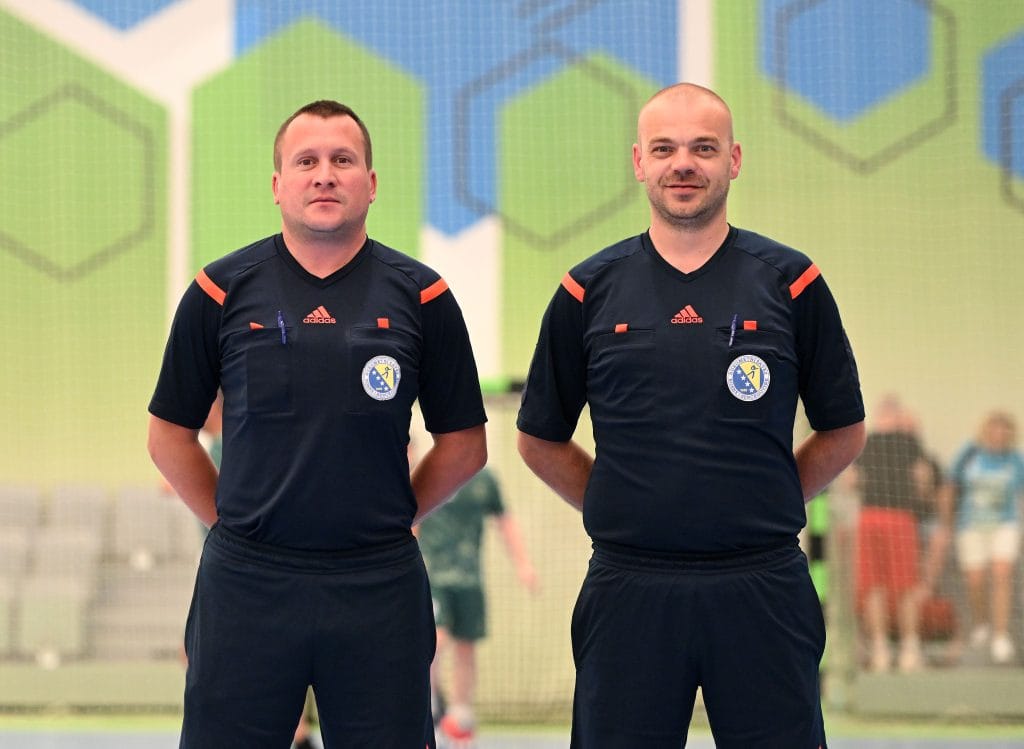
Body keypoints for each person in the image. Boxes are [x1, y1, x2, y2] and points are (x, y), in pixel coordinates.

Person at [516, 83, 865, 749]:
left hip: (763, 584)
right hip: (628, 588)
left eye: (703, 148)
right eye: (664, 149)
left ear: (734, 160)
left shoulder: (793, 282)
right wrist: (618, 502)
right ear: (638, 162)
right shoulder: (586, 289)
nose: (683, 163)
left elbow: (844, 430)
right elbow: (539, 439)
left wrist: (768, 497)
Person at [147, 99, 487, 748]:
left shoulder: (424, 295)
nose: (325, 174)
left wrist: (396, 515)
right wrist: (234, 524)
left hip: (378, 584)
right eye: (306, 161)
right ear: (278, 184)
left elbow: (466, 444)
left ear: (371, 182)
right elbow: (168, 434)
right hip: (246, 586)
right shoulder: (217, 291)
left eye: (342, 160)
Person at [416, 466, 538, 746]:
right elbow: (412, 521)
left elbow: (505, 520)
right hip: (433, 576)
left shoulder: (484, 480)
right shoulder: (432, 468)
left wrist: (523, 564)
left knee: (466, 646)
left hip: (470, 578)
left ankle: (460, 716)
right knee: (436, 640)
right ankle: (430, 712)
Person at [853, 395, 943, 673]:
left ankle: (880, 649)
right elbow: (923, 477)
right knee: (905, 586)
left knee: (874, 586)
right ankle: (909, 649)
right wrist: (921, 500)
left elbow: (852, 480)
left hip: (869, 516)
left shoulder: (864, 441)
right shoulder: (909, 442)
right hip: (900, 518)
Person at [950, 411, 1024, 665]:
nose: (999, 434)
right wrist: (946, 524)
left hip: (1005, 524)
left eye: (1004, 430)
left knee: (1002, 574)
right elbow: (951, 485)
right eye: (994, 428)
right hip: (971, 526)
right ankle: (981, 623)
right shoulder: (969, 454)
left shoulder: (1015, 460)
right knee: (976, 580)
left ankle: (1000, 635)